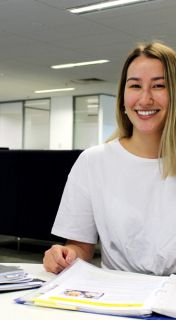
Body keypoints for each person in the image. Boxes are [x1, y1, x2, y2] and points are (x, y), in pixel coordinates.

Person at [43, 41, 176, 276]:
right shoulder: (93, 162)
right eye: (135, 85)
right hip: (119, 299)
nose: (145, 99)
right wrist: (66, 255)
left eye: (159, 86)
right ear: (123, 96)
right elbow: (80, 246)